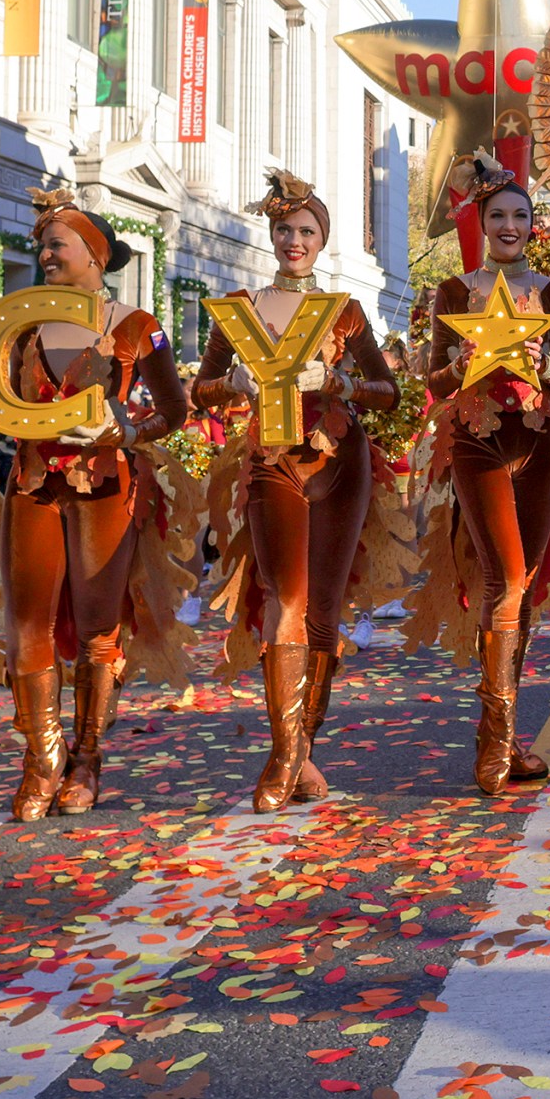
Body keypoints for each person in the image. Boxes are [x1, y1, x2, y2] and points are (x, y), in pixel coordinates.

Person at [0, 188, 195, 821]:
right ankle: (42, 757)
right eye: (41, 244)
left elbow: (175, 412)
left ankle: (87, 760)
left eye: (57, 244)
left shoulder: (136, 325)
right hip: (34, 483)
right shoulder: (15, 326)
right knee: (27, 623)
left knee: (100, 627)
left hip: (105, 486)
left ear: (95, 256)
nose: (44, 253)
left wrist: (127, 430)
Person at [195, 170, 411, 808]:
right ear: (271, 233)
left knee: (324, 612)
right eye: (285, 229)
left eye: (307, 231)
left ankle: (303, 747)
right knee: (285, 602)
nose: (295, 240)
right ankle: (285, 754)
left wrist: (341, 385)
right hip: (272, 462)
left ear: (322, 240)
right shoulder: (241, 309)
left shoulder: (345, 310)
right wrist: (230, 385)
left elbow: (389, 392)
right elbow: (197, 393)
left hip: (341, 465)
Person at [406, 153, 550, 793]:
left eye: (520, 215)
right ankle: (493, 738)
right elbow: (431, 378)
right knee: (505, 576)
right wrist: (457, 365)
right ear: (481, 222)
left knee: (524, 586)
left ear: (532, 225)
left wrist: (547, 369)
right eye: (498, 216)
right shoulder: (455, 293)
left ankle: (509, 737)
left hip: (541, 444)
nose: (509, 225)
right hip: (478, 442)